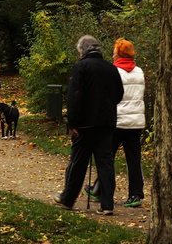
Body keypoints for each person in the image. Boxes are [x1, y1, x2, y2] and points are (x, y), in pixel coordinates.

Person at [53, 35, 124, 215]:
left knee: (78, 162)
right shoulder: (111, 68)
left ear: (82, 51)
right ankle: (107, 204)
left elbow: (74, 96)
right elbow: (119, 95)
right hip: (107, 123)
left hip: (85, 125)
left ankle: (68, 199)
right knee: (105, 163)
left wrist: (72, 122)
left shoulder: (80, 67)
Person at [85, 37, 146, 208]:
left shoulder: (112, 71)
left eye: (114, 52)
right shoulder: (139, 72)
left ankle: (99, 189)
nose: (112, 56)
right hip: (135, 122)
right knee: (134, 159)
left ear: (119, 54)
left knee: (106, 157)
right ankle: (135, 194)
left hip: (116, 120)